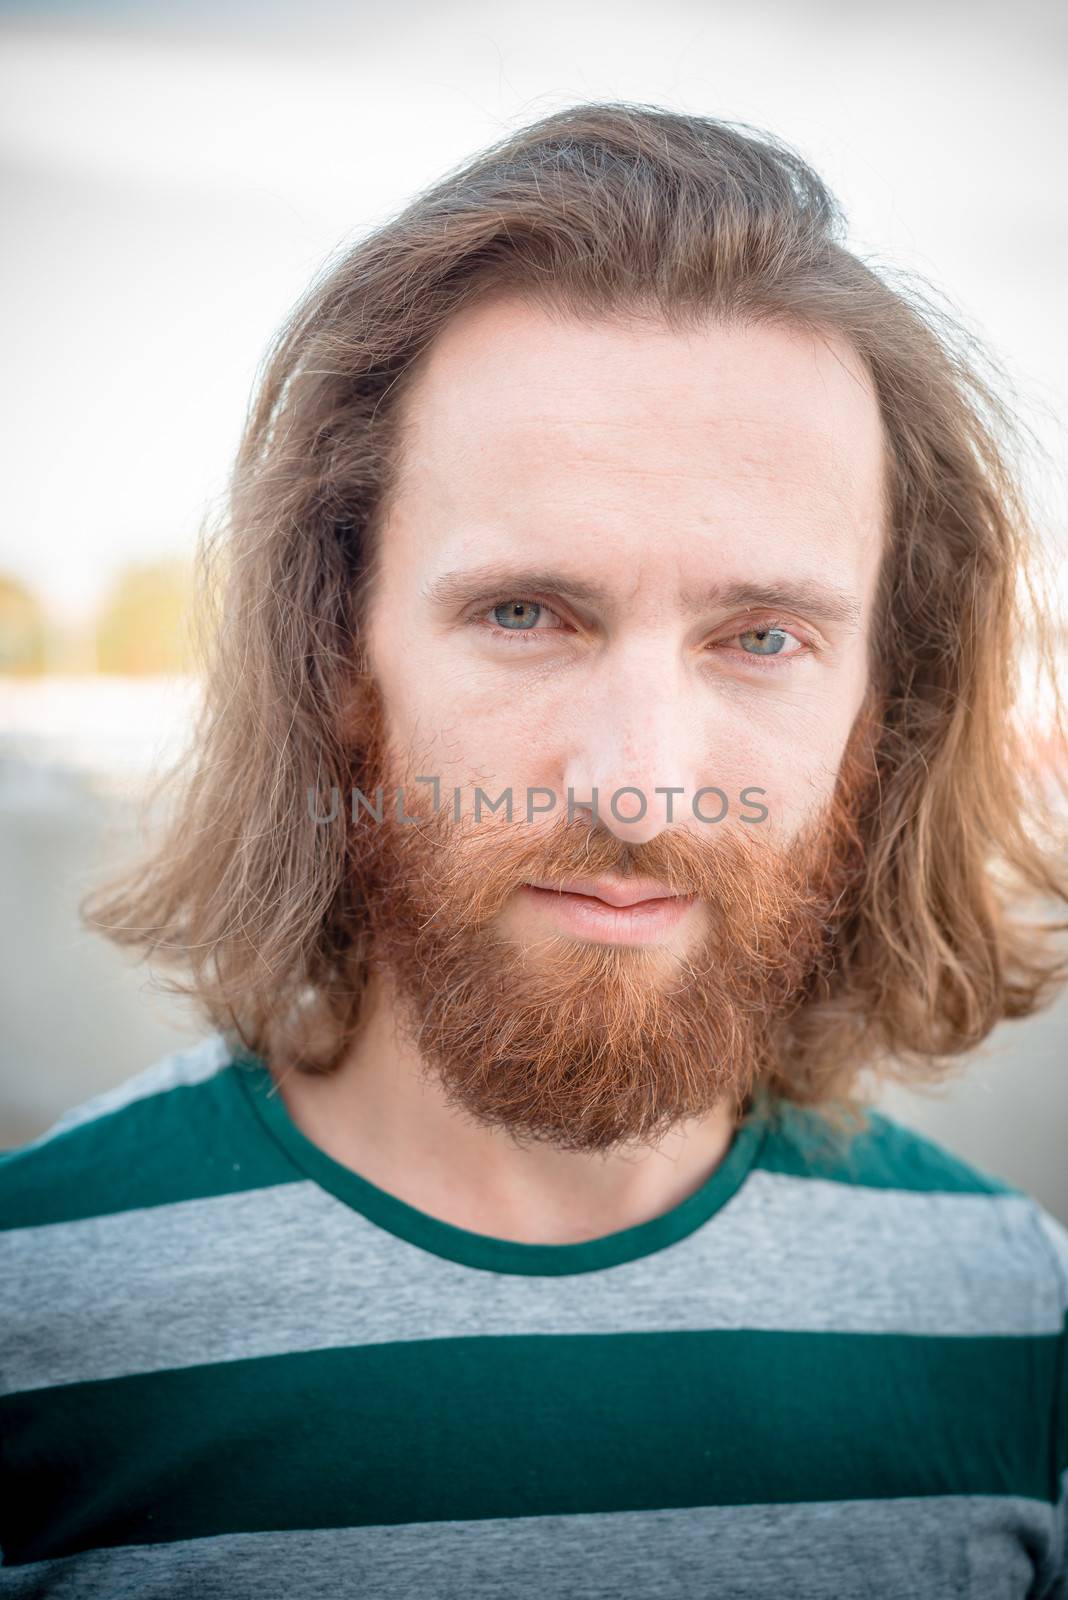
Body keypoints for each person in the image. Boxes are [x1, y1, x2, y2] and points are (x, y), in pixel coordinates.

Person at [2, 101, 1067, 1598]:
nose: (640, 789)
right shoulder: (35, 1319)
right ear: (338, 659)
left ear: (886, 704)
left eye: (763, 636)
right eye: (524, 614)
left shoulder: (1020, 1325)